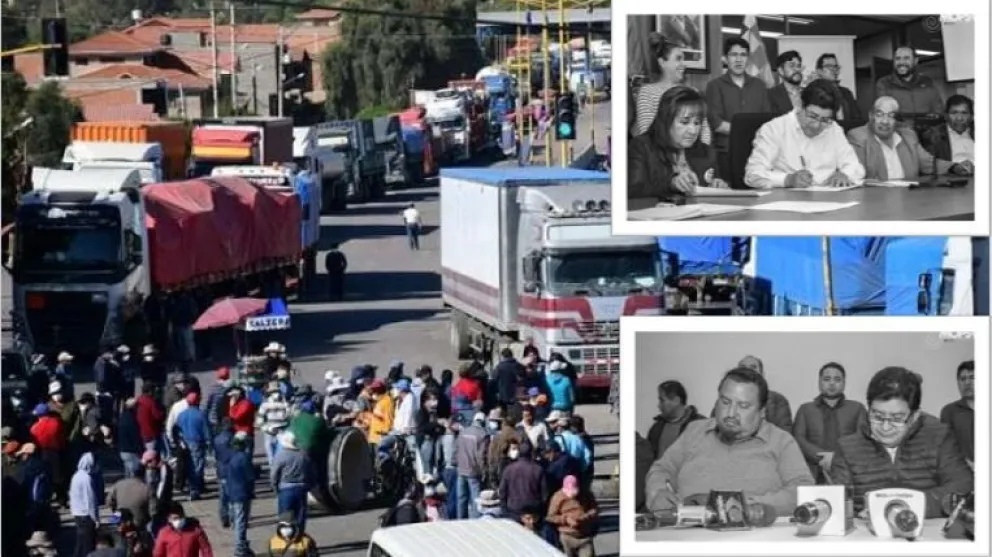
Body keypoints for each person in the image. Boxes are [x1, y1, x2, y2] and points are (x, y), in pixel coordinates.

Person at [645, 367, 814, 516]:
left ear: (762, 411)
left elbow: (802, 490)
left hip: (752, 535)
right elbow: (662, 469)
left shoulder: (781, 441)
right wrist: (658, 491)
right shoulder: (694, 431)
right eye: (725, 402)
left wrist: (744, 506)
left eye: (743, 406)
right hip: (685, 534)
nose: (731, 413)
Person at [832, 367, 973, 518]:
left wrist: (907, 505)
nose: (885, 427)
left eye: (897, 418)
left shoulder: (938, 437)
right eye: (877, 416)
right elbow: (836, 501)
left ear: (914, 416)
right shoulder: (848, 447)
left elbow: (963, 487)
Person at [744, 79, 865, 189]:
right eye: (812, 116)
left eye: (824, 120)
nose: (816, 125)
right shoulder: (774, 129)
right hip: (787, 203)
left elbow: (855, 167)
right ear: (799, 105)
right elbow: (753, 174)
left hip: (828, 201)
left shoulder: (834, 129)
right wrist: (787, 180)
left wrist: (845, 174)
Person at [628, 86, 728, 206]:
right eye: (685, 122)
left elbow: (711, 185)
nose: (693, 130)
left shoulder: (707, 152)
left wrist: (718, 185)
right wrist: (671, 184)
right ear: (666, 119)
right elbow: (632, 190)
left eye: (697, 123)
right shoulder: (641, 146)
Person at [846, 96, 969, 180]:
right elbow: (856, 174)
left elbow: (928, 163)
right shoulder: (858, 137)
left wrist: (954, 167)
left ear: (897, 120)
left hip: (908, 197)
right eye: (879, 115)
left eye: (891, 116)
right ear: (870, 116)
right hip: (875, 199)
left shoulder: (908, 136)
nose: (885, 121)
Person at [705, 37, 771, 179]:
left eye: (743, 55)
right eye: (734, 55)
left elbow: (767, 120)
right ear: (725, 59)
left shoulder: (759, 85)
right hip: (727, 153)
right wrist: (746, 131)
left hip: (757, 153)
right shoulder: (715, 86)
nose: (739, 60)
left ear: (748, 59)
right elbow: (716, 123)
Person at [791, 362, 867, 483]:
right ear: (819, 382)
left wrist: (835, 459)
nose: (832, 383)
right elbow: (798, 439)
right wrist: (822, 457)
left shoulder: (857, 409)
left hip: (849, 472)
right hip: (812, 472)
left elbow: (862, 439)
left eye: (837, 379)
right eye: (827, 379)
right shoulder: (805, 409)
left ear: (844, 383)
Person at [634, 33, 711, 144]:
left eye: (683, 59)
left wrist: (702, 156)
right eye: (678, 59)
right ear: (662, 62)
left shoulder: (693, 92)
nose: (683, 64)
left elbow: (704, 130)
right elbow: (647, 133)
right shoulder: (648, 92)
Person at [875, 45, 943, 116]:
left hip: (926, 126)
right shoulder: (884, 83)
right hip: (898, 127)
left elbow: (938, 111)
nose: (901, 62)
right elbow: (884, 114)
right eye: (898, 58)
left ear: (915, 61)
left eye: (906, 58)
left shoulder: (927, 82)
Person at [646, 380, 705, 460]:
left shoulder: (701, 426)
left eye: (662, 400)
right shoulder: (656, 428)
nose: (659, 405)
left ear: (676, 400)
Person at [271, 431, 316, 532]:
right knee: (300, 516)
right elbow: (312, 472)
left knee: (285, 518)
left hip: (285, 488)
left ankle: (286, 539)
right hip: (301, 488)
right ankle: (299, 538)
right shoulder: (303, 455)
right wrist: (311, 485)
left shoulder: (281, 455)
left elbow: (274, 475)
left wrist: (275, 487)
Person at [546, 475, 599, 557]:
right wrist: (566, 519)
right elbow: (550, 517)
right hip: (567, 537)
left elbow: (595, 509)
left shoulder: (586, 494)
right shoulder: (558, 497)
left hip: (584, 536)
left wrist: (584, 518)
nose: (572, 495)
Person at [922, 95, 975, 170]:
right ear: (945, 115)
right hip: (949, 177)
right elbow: (928, 164)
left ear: (972, 116)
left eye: (964, 113)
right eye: (954, 113)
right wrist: (953, 167)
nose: (959, 118)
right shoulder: (933, 135)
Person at [175, 392, 211, 500]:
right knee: (196, 467)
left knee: (189, 467)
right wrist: (209, 443)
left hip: (184, 444)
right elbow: (206, 431)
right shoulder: (201, 414)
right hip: (197, 443)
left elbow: (177, 429)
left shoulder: (181, 414)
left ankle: (192, 488)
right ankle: (195, 490)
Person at [499, 440, 547, 520]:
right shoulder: (538, 469)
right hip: (533, 511)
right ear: (532, 453)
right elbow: (545, 494)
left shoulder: (509, 469)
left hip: (514, 509)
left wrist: (504, 509)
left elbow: (502, 491)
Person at [454, 412, 490, 519]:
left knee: (461, 498)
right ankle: (475, 521)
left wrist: (455, 463)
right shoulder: (483, 434)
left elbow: (456, 449)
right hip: (474, 470)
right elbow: (481, 456)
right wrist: (484, 471)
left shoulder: (463, 431)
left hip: (461, 469)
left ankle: (460, 519)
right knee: (476, 499)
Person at [226, 431, 255, 557]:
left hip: (231, 491)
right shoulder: (244, 458)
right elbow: (250, 477)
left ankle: (241, 544)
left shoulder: (231, 456)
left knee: (236, 518)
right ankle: (240, 547)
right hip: (242, 493)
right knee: (241, 521)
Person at [940, 360, 974, 467]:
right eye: (963, 379)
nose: (967, 382)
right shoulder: (949, 411)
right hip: (963, 474)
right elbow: (947, 447)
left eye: (972, 377)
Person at [815, 53, 863, 123]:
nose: (834, 70)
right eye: (829, 66)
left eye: (835, 67)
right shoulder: (813, 93)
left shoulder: (846, 92)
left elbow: (857, 117)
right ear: (819, 71)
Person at [70, 452, 101, 557]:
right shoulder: (87, 478)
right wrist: (96, 519)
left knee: (80, 544)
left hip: (77, 514)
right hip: (86, 515)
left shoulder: (76, 475)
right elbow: (90, 500)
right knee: (88, 546)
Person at [257, 382, 291, 471]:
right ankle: (274, 474)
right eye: (273, 392)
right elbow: (259, 420)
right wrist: (268, 429)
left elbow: (289, 417)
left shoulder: (285, 404)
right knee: (271, 457)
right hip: (270, 433)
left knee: (281, 455)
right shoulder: (265, 404)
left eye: (277, 391)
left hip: (281, 432)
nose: (276, 394)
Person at [767, 50, 805, 115]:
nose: (797, 69)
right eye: (792, 65)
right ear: (781, 71)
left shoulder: (810, 92)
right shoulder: (770, 95)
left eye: (798, 66)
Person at [117, 398, 145, 478]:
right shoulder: (131, 419)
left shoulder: (123, 417)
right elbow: (135, 436)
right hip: (131, 450)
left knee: (128, 473)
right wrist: (140, 449)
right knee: (134, 474)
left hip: (123, 449)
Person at [135, 384, 164, 454]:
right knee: (152, 454)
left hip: (141, 432)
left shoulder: (138, 400)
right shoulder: (151, 402)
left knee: (145, 453)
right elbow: (157, 416)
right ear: (150, 391)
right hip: (151, 432)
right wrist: (162, 413)